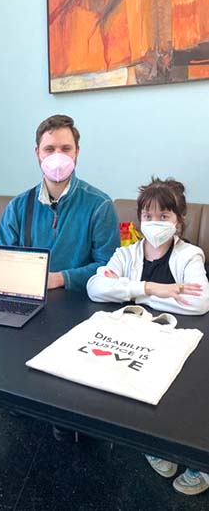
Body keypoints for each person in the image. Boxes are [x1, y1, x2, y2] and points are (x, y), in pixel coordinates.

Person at [87, 177, 209, 495]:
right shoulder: (128, 252)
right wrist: (153, 289)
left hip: (183, 339)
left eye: (164, 216)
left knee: (188, 396)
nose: (155, 223)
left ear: (179, 220)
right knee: (143, 392)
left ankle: (198, 461)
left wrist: (132, 295)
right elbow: (96, 288)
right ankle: (155, 445)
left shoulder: (190, 255)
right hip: (140, 339)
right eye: (148, 216)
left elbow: (199, 302)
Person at [0, 114, 120, 291]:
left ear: (77, 151)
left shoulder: (100, 205)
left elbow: (109, 267)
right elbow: (2, 261)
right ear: (37, 152)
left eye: (66, 148)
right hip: (29, 296)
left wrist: (62, 278)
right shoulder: (17, 207)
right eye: (49, 149)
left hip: (80, 301)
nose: (58, 157)